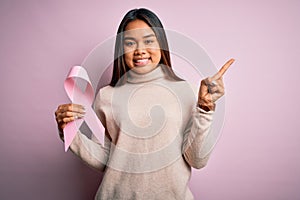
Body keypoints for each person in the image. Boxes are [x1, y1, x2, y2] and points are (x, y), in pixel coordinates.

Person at [55, 8, 234, 200]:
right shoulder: (106, 96)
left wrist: (205, 109)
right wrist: (69, 131)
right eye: (130, 43)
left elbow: (197, 159)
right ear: (121, 49)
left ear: (162, 44)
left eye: (149, 41)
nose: (140, 50)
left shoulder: (186, 92)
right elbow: (106, 159)